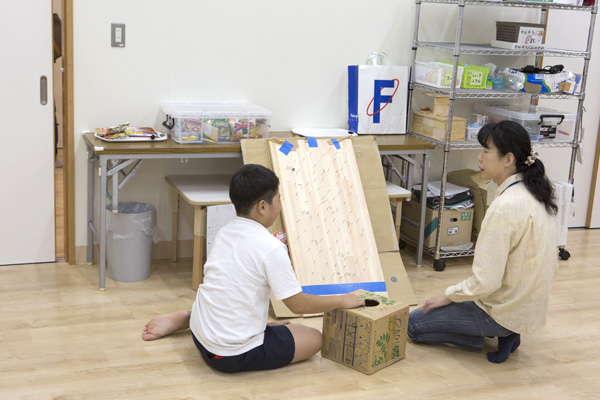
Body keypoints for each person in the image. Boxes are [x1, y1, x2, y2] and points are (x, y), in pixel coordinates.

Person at [142, 164, 365, 372]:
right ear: (262, 206)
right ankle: (214, 324)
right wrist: (343, 299)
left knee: (281, 325)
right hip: (229, 355)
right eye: (278, 199)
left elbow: (233, 289)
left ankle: (190, 318)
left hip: (202, 336)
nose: (280, 204)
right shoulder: (271, 248)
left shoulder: (225, 231)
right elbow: (297, 304)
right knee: (315, 337)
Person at [407, 120, 559, 364]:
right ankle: (508, 330)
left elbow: (485, 283)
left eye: (486, 151)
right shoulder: (536, 193)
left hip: (501, 310)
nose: (479, 158)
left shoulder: (504, 207)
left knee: (414, 325)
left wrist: (448, 295)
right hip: (529, 306)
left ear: (507, 159)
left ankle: (497, 331)